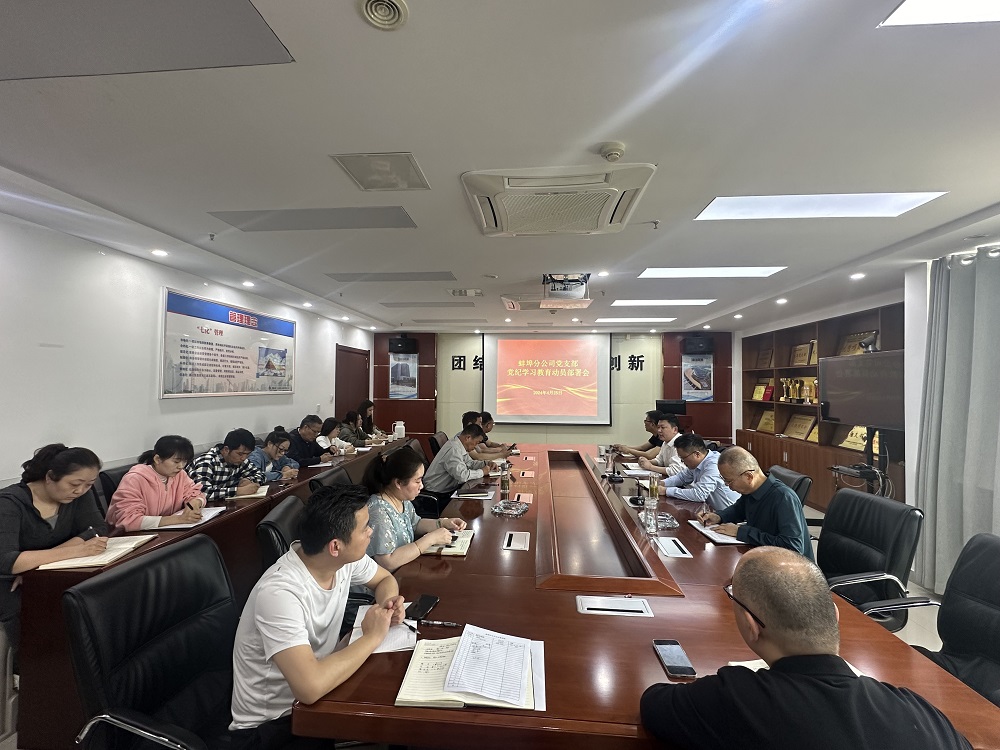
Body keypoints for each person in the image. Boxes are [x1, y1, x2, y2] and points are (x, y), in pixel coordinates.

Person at [640, 547, 972, 750]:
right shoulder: (920, 713)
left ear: (752, 626)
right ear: (835, 616)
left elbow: (654, 704)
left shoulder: (737, 698)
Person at [229, 483, 405, 749]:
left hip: (320, 694)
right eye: (365, 528)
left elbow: (384, 579)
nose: (371, 531)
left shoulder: (340, 558)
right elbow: (309, 689)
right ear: (335, 546)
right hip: (274, 727)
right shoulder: (280, 593)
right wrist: (372, 636)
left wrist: (387, 605)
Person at [0, 444, 108, 667]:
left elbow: (98, 528)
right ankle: (30, 675)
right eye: (75, 484)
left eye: (89, 485)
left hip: (48, 573)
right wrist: (76, 550)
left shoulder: (78, 495)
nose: (81, 491)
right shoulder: (9, 503)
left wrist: (36, 565)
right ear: (50, 477)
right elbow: (6, 561)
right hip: (11, 586)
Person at [697, 446, 813, 560]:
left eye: (729, 481)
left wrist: (741, 532)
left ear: (748, 476)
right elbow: (738, 510)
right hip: (762, 556)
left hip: (793, 567)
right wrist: (719, 516)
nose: (728, 486)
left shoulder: (783, 497)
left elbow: (792, 547)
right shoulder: (751, 490)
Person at [362, 447, 466, 571]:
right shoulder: (378, 512)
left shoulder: (402, 499)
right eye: (417, 481)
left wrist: (443, 523)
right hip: (388, 578)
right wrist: (430, 539)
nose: (421, 486)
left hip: (407, 568)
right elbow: (387, 562)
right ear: (398, 483)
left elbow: (415, 524)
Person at [106, 435, 207, 530]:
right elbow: (128, 520)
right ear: (157, 459)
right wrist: (179, 519)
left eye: (184, 462)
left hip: (166, 532)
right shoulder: (134, 479)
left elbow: (194, 493)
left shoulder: (180, 475)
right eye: (176, 462)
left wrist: (196, 502)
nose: (181, 466)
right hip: (133, 536)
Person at [659, 433, 738, 511]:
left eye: (683, 458)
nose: (682, 461)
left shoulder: (714, 465)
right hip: (714, 512)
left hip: (730, 515)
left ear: (697, 454)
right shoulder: (697, 463)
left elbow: (699, 494)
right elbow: (681, 478)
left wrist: (666, 491)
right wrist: (661, 483)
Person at [188, 428, 267, 502]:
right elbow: (202, 493)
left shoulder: (240, 461)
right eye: (240, 454)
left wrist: (248, 480)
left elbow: (261, 474)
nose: (244, 458)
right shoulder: (207, 462)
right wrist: (238, 491)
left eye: (248, 454)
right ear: (226, 450)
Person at [422, 424, 491, 495]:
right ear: (468, 438)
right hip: (437, 493)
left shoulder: (459, 445)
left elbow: (469, 463)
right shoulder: (453, 449)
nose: (476, 446)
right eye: (477, 443)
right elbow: (462, 476)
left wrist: (486, 463)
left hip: (447, 489)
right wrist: (482, 472)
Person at [636, 413, 684, 477]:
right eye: (658, 427)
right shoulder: (665, 442)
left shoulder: (681, 443)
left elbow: (675, 471)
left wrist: (650, 467)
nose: (659, 430)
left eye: (663, 427)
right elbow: (659, 460)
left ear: (675, 430)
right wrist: (646, 462)